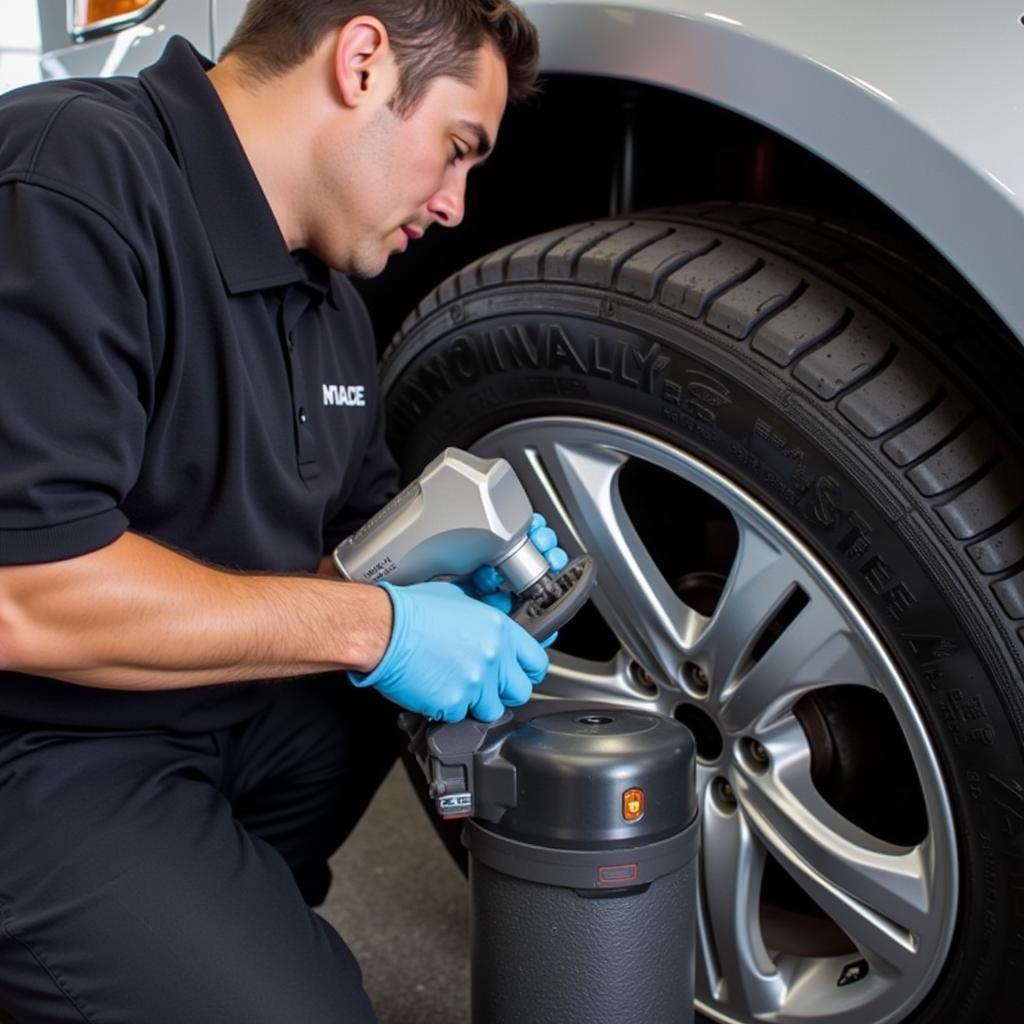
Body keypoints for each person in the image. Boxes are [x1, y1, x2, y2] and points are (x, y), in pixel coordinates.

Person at [0, 2, 551, 1021]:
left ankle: (189, 916)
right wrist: (380, 626)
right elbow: (24, 596)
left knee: (386, 701)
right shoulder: (75, 175)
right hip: (37, 746)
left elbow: (345, 549)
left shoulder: (329, 300)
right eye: (455, 150)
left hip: (203, 715)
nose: (455, 204)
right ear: (363, 60)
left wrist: (445, 568)